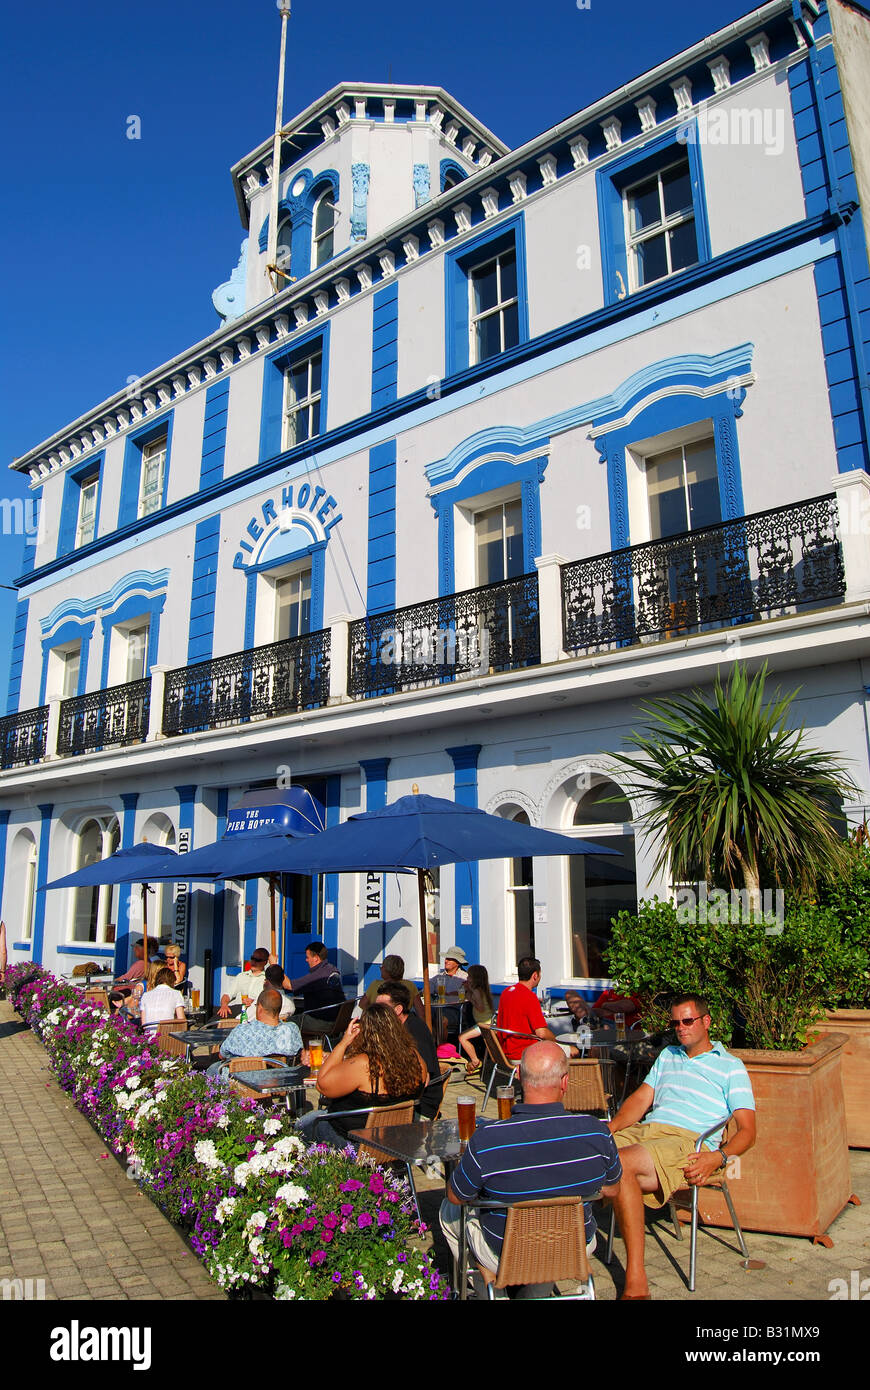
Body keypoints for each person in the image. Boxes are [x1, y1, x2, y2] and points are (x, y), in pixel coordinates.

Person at [440, 1042, 622, 1296]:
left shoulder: (488, 1139)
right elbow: (612, 1190)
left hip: (506, 1252)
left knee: (448, 1211)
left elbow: (456, 1196)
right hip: (574, 1247)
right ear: (565, 1082)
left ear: (519, 1079)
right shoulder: (597, 1132)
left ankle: (488, 1286)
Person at [608, 993, 756, 1300]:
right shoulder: (668, 1056)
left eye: (688, 1021)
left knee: (619, 1163)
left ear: (706, 1022)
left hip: (686, 1140)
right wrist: (609, 1129)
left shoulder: (730, 1066)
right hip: (647, 1130)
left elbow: (748, 1131)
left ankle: (636, 1278)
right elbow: (640, 1101)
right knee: (587, 1153)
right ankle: (569, 1245)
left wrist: (717, 1157)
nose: (681, 1028)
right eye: (675, 1022)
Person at [298, 1004, 427, 1146]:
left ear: (365, 1032)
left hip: (357, 1142)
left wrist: (344, 1042)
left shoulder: (364, 1064)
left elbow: (322, 1085)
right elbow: (424, 1082)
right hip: (397, 1140)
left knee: (302, 1124)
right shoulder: (415, 1057)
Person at [375, 980, 441, 1118]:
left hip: (416, 1109)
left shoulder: (415, 1032)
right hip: (398, 1101)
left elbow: (422, 1078)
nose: (376, 1012)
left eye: (381, 1007)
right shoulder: (393, 1028)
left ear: (398, 1010)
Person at [207, 988, 303, 1078]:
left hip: (242, 1084)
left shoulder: (242, 1030)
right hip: (279, 1082)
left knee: (213, 1069)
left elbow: (222, 1055)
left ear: (260, 1008)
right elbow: (299, 1054)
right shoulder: (291, 1029)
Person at [496, 957, 575, 1062]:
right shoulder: (529, 997)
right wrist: (557, 1041)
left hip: (504, 1052)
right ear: (535, 975)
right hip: (524, 1052)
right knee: (573, 1051)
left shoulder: (506, 992)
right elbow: (541, 1033)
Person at [286, 941, 345, 1035]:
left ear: (316, 958)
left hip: (322, 1022)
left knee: (286, 1022)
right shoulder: (332, 969)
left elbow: (289, 985)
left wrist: (274, 965)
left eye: (307, 957)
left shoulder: (318, 975)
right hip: (337, 1022)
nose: (306, 960)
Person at [215, 946, 271, 1020]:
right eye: (252, 958)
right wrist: (224, 1005)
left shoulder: (267, 980)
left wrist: (254, 1002)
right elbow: (227, 995)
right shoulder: (241, 976)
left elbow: (269, 1001)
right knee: (211, 1015)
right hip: (234, 1009)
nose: (253, 962)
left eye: (257, 960)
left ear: (265, 962)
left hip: (251, 1012)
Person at [458, 963, 494, 1073]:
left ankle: (475, 1061)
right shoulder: (481, 990)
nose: (467, 979)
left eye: (469, 977)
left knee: (462, 1038)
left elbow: (481, 1008)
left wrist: (471, 996)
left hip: (485, 1023)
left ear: (475, 978)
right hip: (486, 1022)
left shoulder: (477, 991)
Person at [139, 966, 186, 1040]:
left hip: (150, 1040)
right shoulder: (176, 994)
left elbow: (144, 1025)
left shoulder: (145, 995)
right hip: (168, 1039)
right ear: (172, 980)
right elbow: (182, 1022)